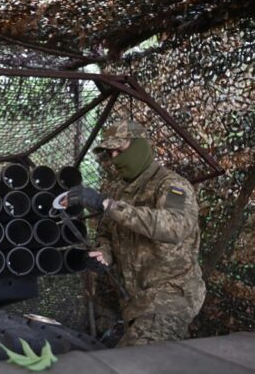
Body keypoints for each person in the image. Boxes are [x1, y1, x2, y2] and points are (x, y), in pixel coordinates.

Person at [65, 120, 205, 347]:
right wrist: (103, 254)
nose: (115, 158)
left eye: (121, 150)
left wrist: (108, 205)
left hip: (172, 294)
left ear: (141, 147)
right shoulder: (116, 188)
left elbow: (175, 226)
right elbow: (107, 234)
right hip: (134, 300)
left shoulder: (172, 185)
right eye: (111, 153)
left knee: (132, 360)